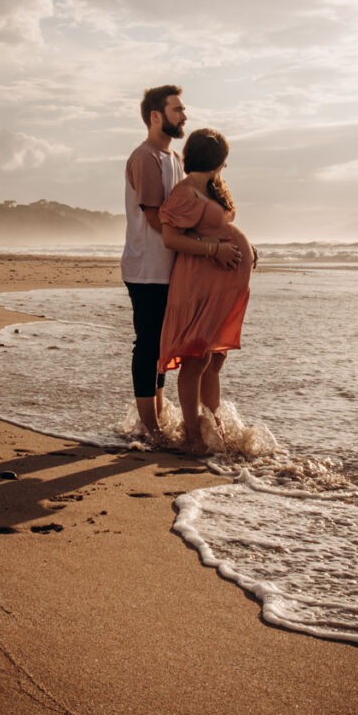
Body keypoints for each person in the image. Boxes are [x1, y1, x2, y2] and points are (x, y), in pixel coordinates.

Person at [120, 87, 242, 444]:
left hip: (170, 267)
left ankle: (158, 416)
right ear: (156, 115)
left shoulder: (172, 157)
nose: (184, 115)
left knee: (161, 344)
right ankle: (151, 426)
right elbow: (160, 220)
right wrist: (209, 246)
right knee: (148, 344)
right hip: (147, 267)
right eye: (177, 109)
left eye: (183, 109)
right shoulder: (145, 158)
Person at [158, 128, 255, 454]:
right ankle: (192, 435)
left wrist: (246, 248)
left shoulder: (213, 190)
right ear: (219, 160)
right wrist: (217, 250)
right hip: (199, 285)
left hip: (222, 289)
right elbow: (171, 239)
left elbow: (219, 229)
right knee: (196, 359)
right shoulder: (184, 193)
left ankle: (215, 427)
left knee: (215, 359)